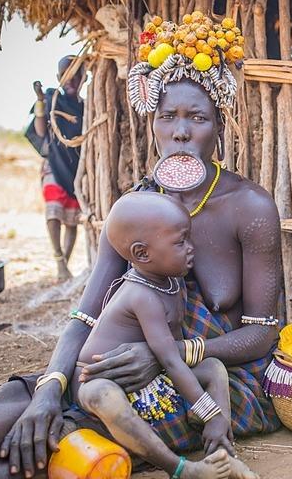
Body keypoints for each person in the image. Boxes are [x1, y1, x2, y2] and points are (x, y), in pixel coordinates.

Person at [0, 12, 281, 478]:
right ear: (151, 123)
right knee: (27, 401)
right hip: (122, 371)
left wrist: (163, 354)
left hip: (213, 380)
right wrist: (51, 385)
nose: (180, 131)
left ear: (219, 126)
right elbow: (87, 315)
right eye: (166, 116)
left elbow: (263, 333)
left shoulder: (249, 206)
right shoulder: (135, 208)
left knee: (66, 437)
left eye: (198, 117)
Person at [66, 191, 258, 479]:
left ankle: (220, 450)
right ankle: (181, 468)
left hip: (148, 375)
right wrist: (211, 410)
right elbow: (170, 361)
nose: (191, 248)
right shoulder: (142, 296)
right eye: (181, 242)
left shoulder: (169, 280)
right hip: (100, 378)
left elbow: (171, 355)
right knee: (103, 396)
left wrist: (213, 414)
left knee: (214, 367)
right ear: (143, 254)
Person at [29, 55, 85, 281]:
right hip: (54, 163)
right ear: (58, 78)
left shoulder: (87, 106)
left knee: (71, 219)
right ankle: (58, 260)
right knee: (53, 211)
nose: (69, 81)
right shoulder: (52, 99)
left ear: (85, 77)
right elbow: (41, 131)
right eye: (65, 76)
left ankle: (65, 265)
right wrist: (41, 101)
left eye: (75, 76)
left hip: (76, 169)